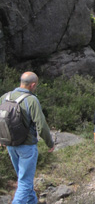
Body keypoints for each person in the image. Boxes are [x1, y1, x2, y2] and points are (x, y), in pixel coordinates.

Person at [0, 72, 55, 204]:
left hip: (10, 144)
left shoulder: (5, 97)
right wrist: (50, 143)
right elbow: (41, 125)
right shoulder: (31, 100)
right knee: (25, 181)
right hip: (27, 146)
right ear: (33, 85)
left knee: (23, 178)